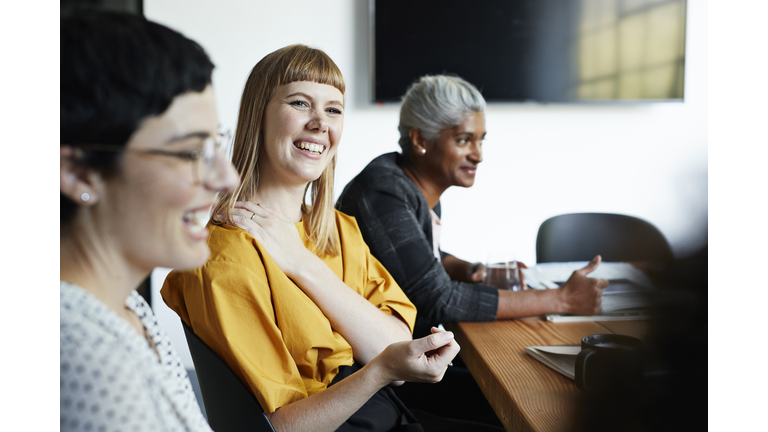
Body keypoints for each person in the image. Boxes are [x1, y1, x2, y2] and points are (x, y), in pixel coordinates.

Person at [161, 45, 494, 432]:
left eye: (333, 109)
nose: (320, 123)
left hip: (390, 414)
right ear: (259, 117)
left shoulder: (338, 228)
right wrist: (381, 370)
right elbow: (283, 427)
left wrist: (303, 265)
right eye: (300, 103)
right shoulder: (225, 259)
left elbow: (395, 341)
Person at [60, 11, 239, 431]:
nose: (226, 178)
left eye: (215, 144)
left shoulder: (127, 307)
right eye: (190, 152)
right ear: (80, 173)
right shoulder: (81, 357)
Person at [336, 74, 610, 339]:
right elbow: (438, 299)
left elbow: (419, 260)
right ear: (420, 140)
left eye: (481, 140)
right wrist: (561, 299)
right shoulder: (384, 193)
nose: (478, 155)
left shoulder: (410, 186)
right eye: (463, 140)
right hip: (378, 373)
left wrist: (473, 270)